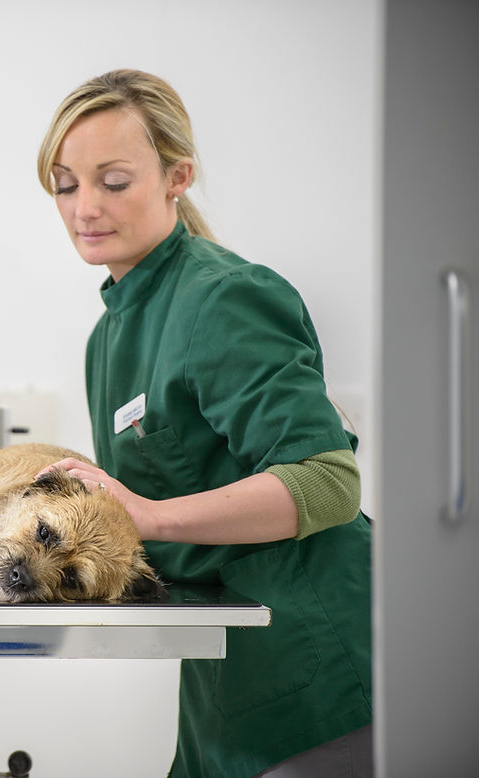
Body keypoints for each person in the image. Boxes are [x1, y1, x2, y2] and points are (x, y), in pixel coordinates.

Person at [35, 70, 373, 777]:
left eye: (113, 181)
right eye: (65, 184)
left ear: (176, 176)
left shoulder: (223, 298)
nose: (83, 207)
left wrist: (148, 516)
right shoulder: (110, 334)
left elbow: (326, 481)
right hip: (227, 667)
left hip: (319, 655)